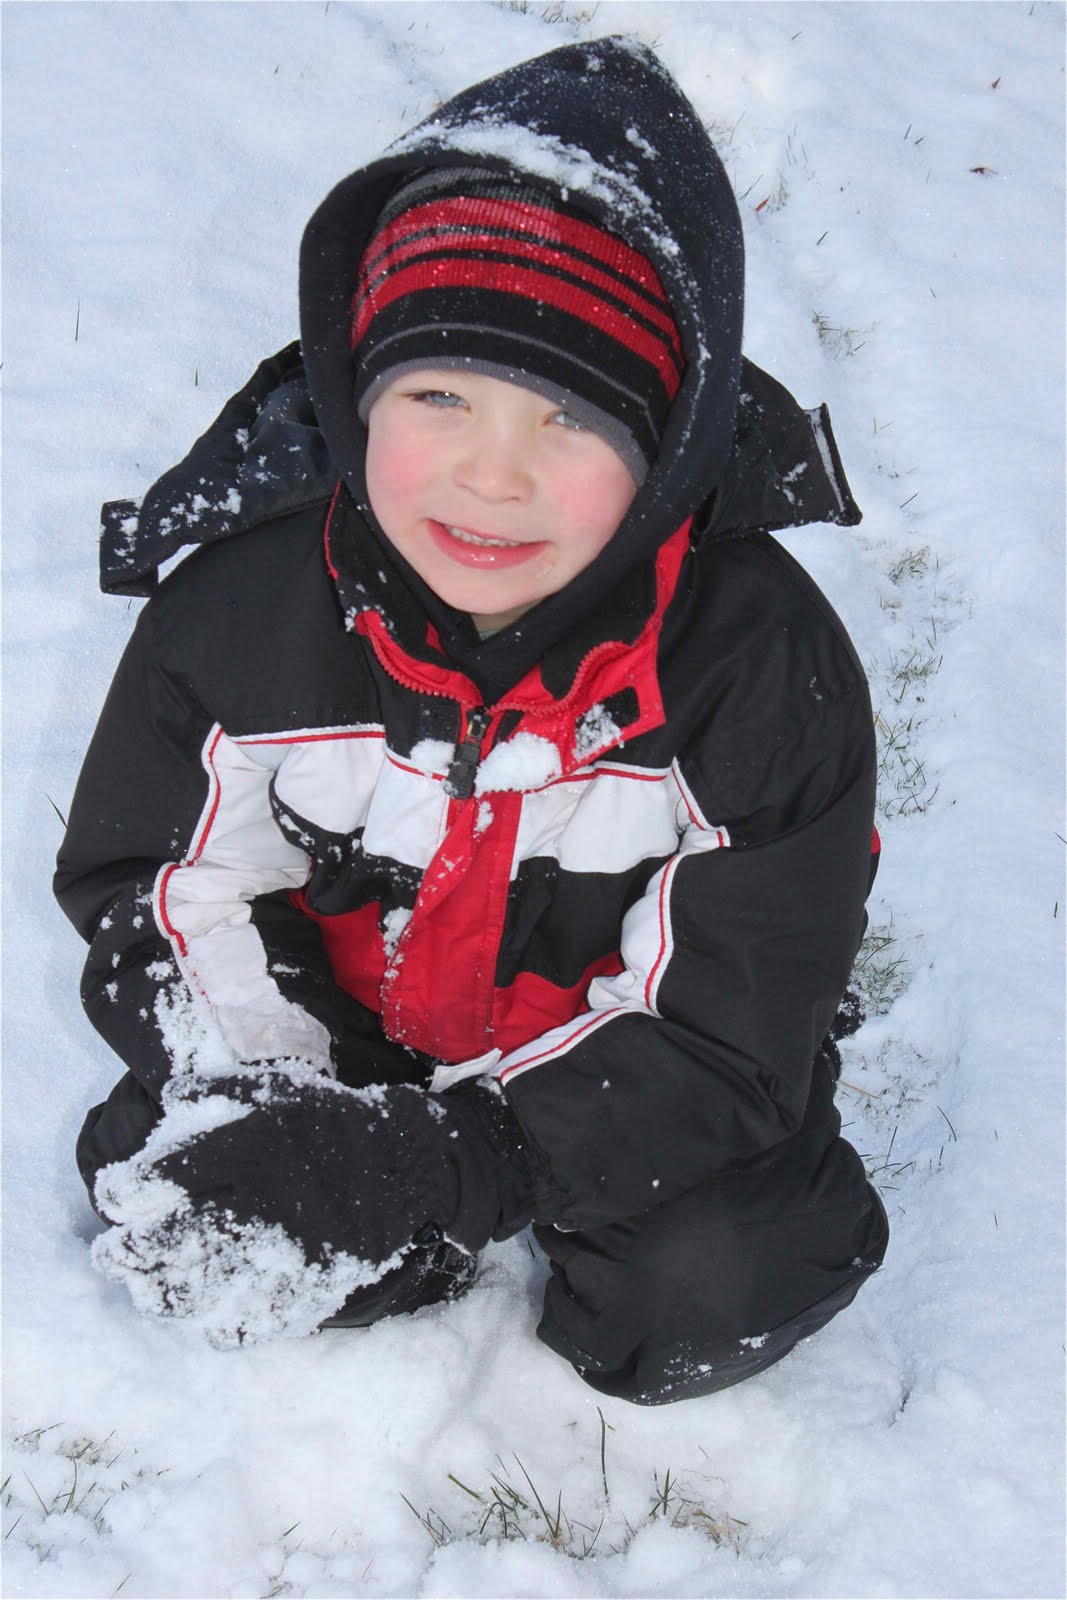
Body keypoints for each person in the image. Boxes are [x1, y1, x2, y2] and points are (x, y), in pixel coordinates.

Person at [55, 36, 888, 1403]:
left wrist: (464, 1159)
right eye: (438, 396)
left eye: (569, 419)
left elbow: (731, 1026)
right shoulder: (238, 620)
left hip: (631, 1056)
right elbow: (163, 886)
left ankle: (527, 1201)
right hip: (354, 1021)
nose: (493, 476)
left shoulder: (759, 669)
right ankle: (385, 1203)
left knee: (704, 1291)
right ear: (354, 398)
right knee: (171, 1185)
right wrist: (281, 1102)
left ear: (665, 449)